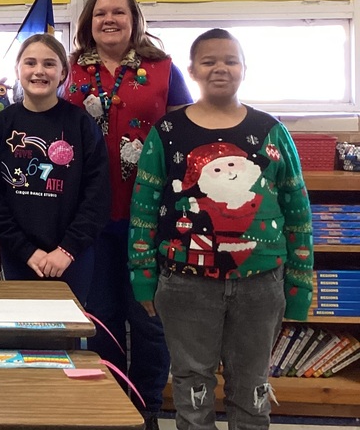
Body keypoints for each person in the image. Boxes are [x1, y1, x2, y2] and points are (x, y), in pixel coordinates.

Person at [129, 29, 313, 430]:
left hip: (261, 283)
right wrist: (143, 277)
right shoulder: (167, 132)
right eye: (209, 61)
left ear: (245, 69)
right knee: (192, 394)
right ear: (192, 70)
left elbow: (297, 211)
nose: (220, 68)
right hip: (185, 283)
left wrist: (299, 288)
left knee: (252, 391)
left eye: (230, 60)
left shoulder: (271, 131)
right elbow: (143, 210)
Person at [63, 0, 192, 428]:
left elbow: (186, 137)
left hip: (150, 216)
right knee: (103, 316)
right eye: (100, 13)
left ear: (135, 19)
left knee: (150, 319)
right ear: (89, 23)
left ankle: (149, 406)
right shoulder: (71, 70)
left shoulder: (164, 69)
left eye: (119, 12)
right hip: (91, 217)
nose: (109, 20)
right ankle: (116, 403)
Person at [0, 34, 109, 303]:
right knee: (23, 335)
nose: (39, 71)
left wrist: (67, 250)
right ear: (17, 70)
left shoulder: (82, 126)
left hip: (72, 258)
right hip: (19, 255)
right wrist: (26, 251)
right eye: (30, 63)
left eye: (49, 64)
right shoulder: (1, 125)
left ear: (63, 73)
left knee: (67, 336)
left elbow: (97, 198)